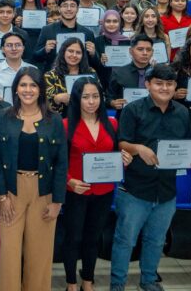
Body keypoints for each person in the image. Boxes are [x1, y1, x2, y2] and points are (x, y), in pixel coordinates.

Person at [111, 64, 191, 291]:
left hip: (167, 189)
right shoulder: (133, 110)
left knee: (156, 240)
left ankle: (148, 280)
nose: (164, 88)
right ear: (148, 84)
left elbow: (186, 145)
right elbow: (121, 143)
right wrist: (138, 148)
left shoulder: (182, 112)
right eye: (159, 83)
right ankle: (117, 284)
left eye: (169, 84)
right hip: (135, 188)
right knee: (125, 240)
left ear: (175, 86)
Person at [0, 67, 67, 291]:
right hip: (11, 191)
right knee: (9, 254)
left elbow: (61, 163)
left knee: (40, 253)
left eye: (33, 85)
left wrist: (57, 202)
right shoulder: (2, 118)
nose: (28, 90)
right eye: (23, 85)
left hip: (43, 192)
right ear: (15, 89)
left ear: (41, 90)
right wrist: (1, 195)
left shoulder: (53, 120)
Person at [61, 77, 128, 291]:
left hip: (104, 191)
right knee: (73, 238)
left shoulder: (113, 123)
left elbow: (115, 157)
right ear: (76, 99)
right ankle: (71, 283)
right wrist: (69, 181)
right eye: (86, 97)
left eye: (96, 96)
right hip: (75, 191)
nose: (91, 102)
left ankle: (87, 282)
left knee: (93, 238)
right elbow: (57, 162)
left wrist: (124, 159)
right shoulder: (65, 125)